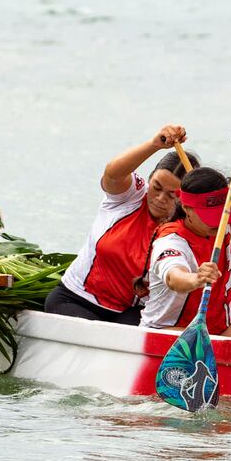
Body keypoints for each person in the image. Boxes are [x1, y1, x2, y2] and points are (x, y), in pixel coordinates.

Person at [44, 125, 196, 324]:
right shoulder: (131, 196)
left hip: (132, 310)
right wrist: (155, 145)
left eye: (171, 195)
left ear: (185, 200)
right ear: (150, 180)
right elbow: (112, 174)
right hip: (76, 299)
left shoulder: (188, 226)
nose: (159, 198)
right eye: (156, 187)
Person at [140, 133, 231, 337]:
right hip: (168, 330)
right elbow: (174, 277)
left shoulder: (227, 211)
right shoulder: (171, 239)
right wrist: (196, 278)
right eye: (209, 216)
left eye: (222, 215)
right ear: (187, 208)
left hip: (222, 326)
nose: (219, 221)